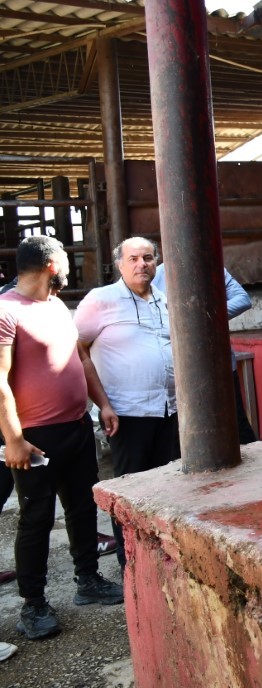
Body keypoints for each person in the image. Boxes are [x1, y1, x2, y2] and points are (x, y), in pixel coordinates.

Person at [0, 236, 123, 641]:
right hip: (35, 437)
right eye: (66, 260)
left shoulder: (54, 305)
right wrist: (13, 439)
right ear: (52, 264)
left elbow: (81, 358)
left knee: (84, 508)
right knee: (36, 518)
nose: (69, 266)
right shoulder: (6, 311)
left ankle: (88, 580)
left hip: (76, 427)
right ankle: (33, 605)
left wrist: (102, 404)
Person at [75, 236, 177, 570]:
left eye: (148, 258)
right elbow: (79, 351)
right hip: (127, 414)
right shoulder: (101, 300)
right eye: (133, 258)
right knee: (131, 492)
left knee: (167, 487)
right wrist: (102, 403)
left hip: (169, 410)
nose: (141, 264)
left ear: (156, 262)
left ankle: (161, 561)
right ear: (120, 263)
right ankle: (130, 565)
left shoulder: (164, 299)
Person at [153, 262, 257, 443]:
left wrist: (203, 316)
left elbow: (243, 299)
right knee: (189, 428)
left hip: (217, 361)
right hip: (178, 367)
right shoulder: (156, 275)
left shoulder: (212, 265)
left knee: (235, 422)